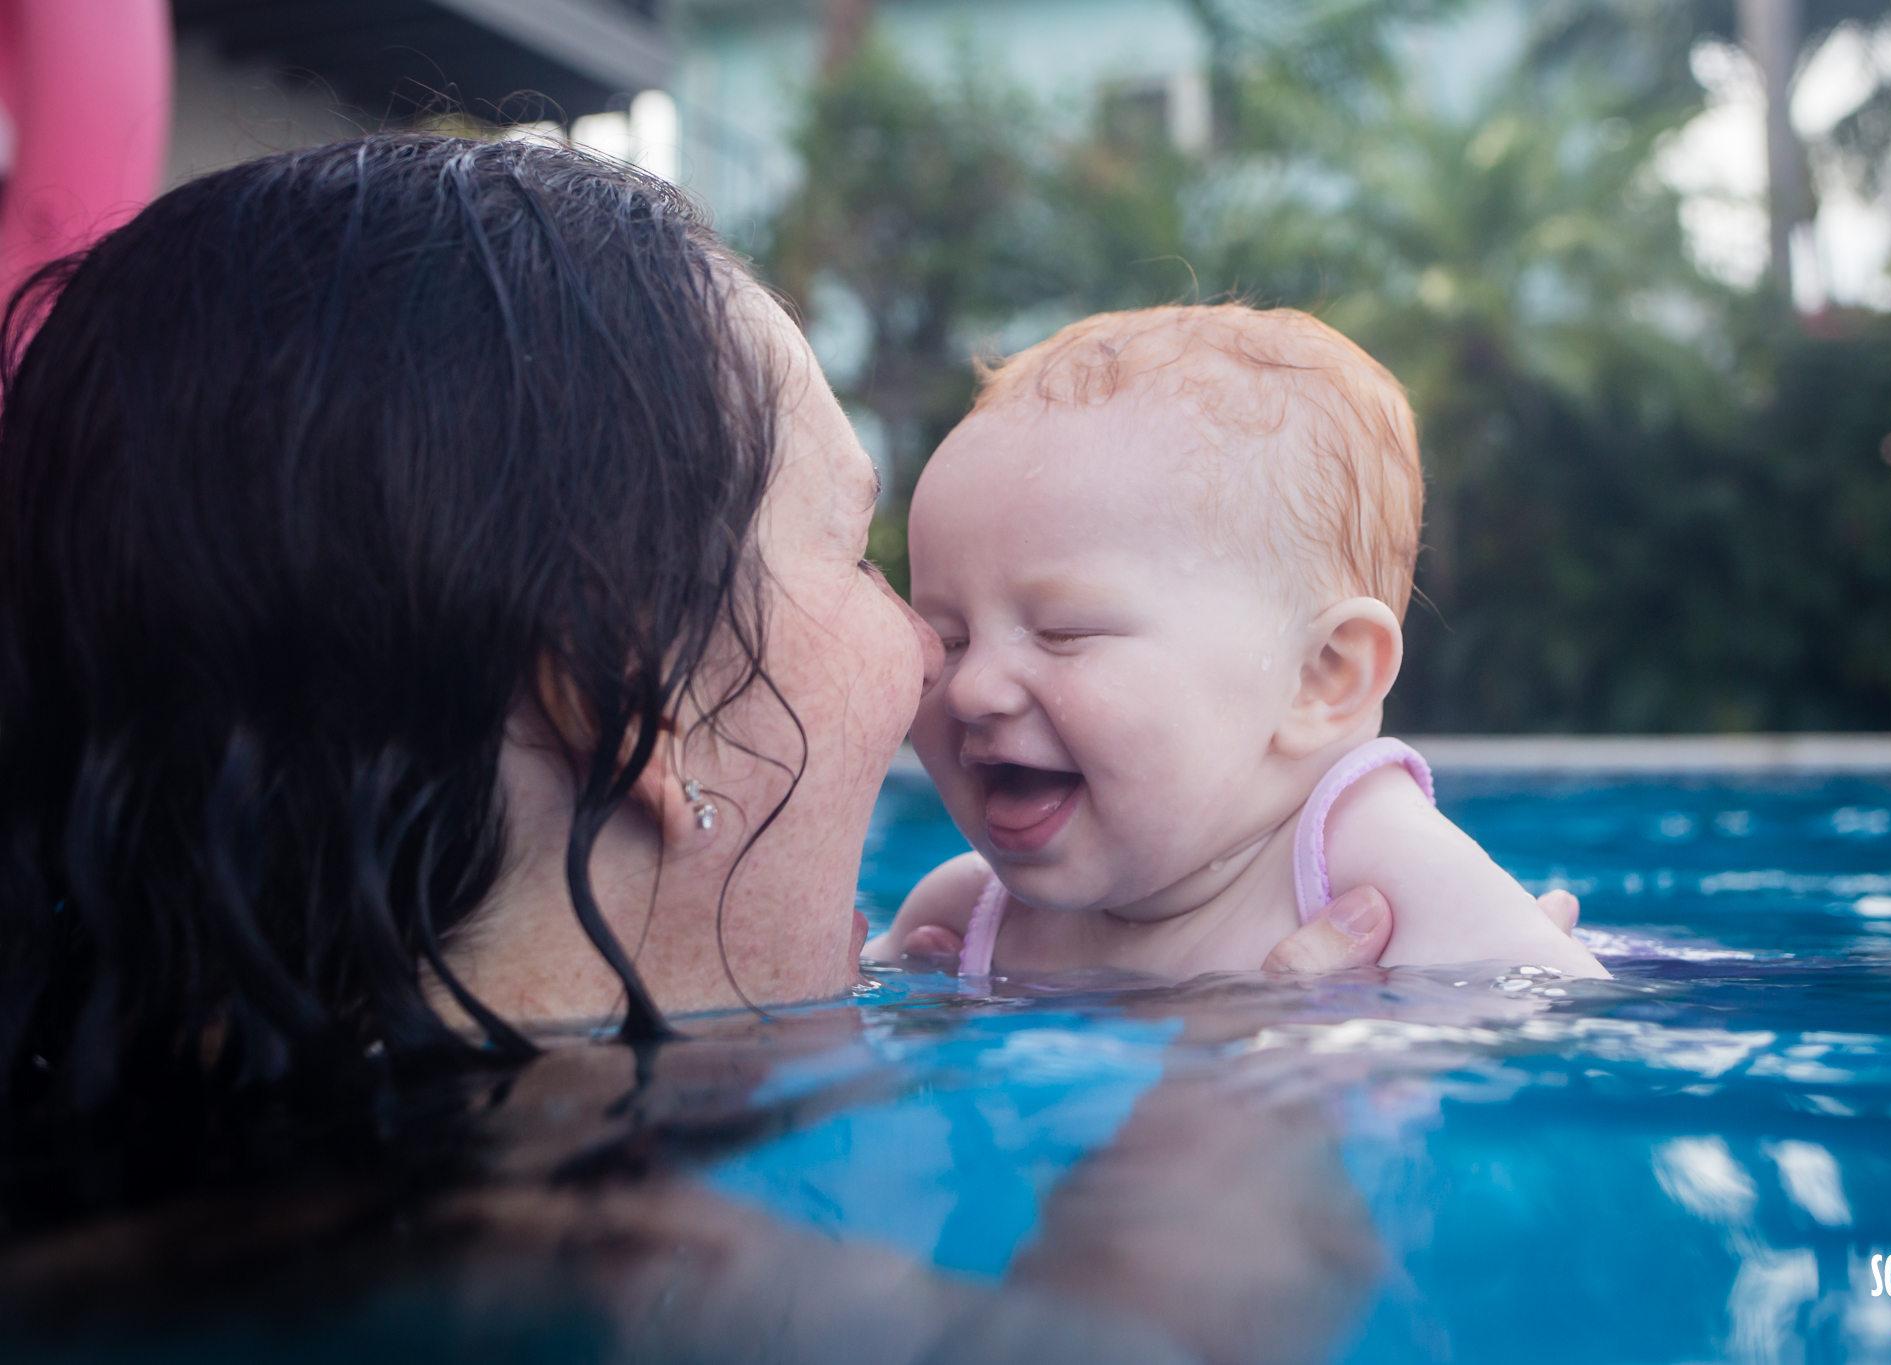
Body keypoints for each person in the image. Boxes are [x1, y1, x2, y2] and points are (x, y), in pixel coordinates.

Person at [0, 136, 1389, 1362]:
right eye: (855, 556)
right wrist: (1250, 1089)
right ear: (633, 699)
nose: (925, 659)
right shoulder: (600, 1281)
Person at [868, 305, 1606, 981]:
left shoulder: (1363, 866)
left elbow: (1560, 1038)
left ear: (1321, 675)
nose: (970, 688)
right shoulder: (960, 917)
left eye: (1066, 632)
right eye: (949, 639)